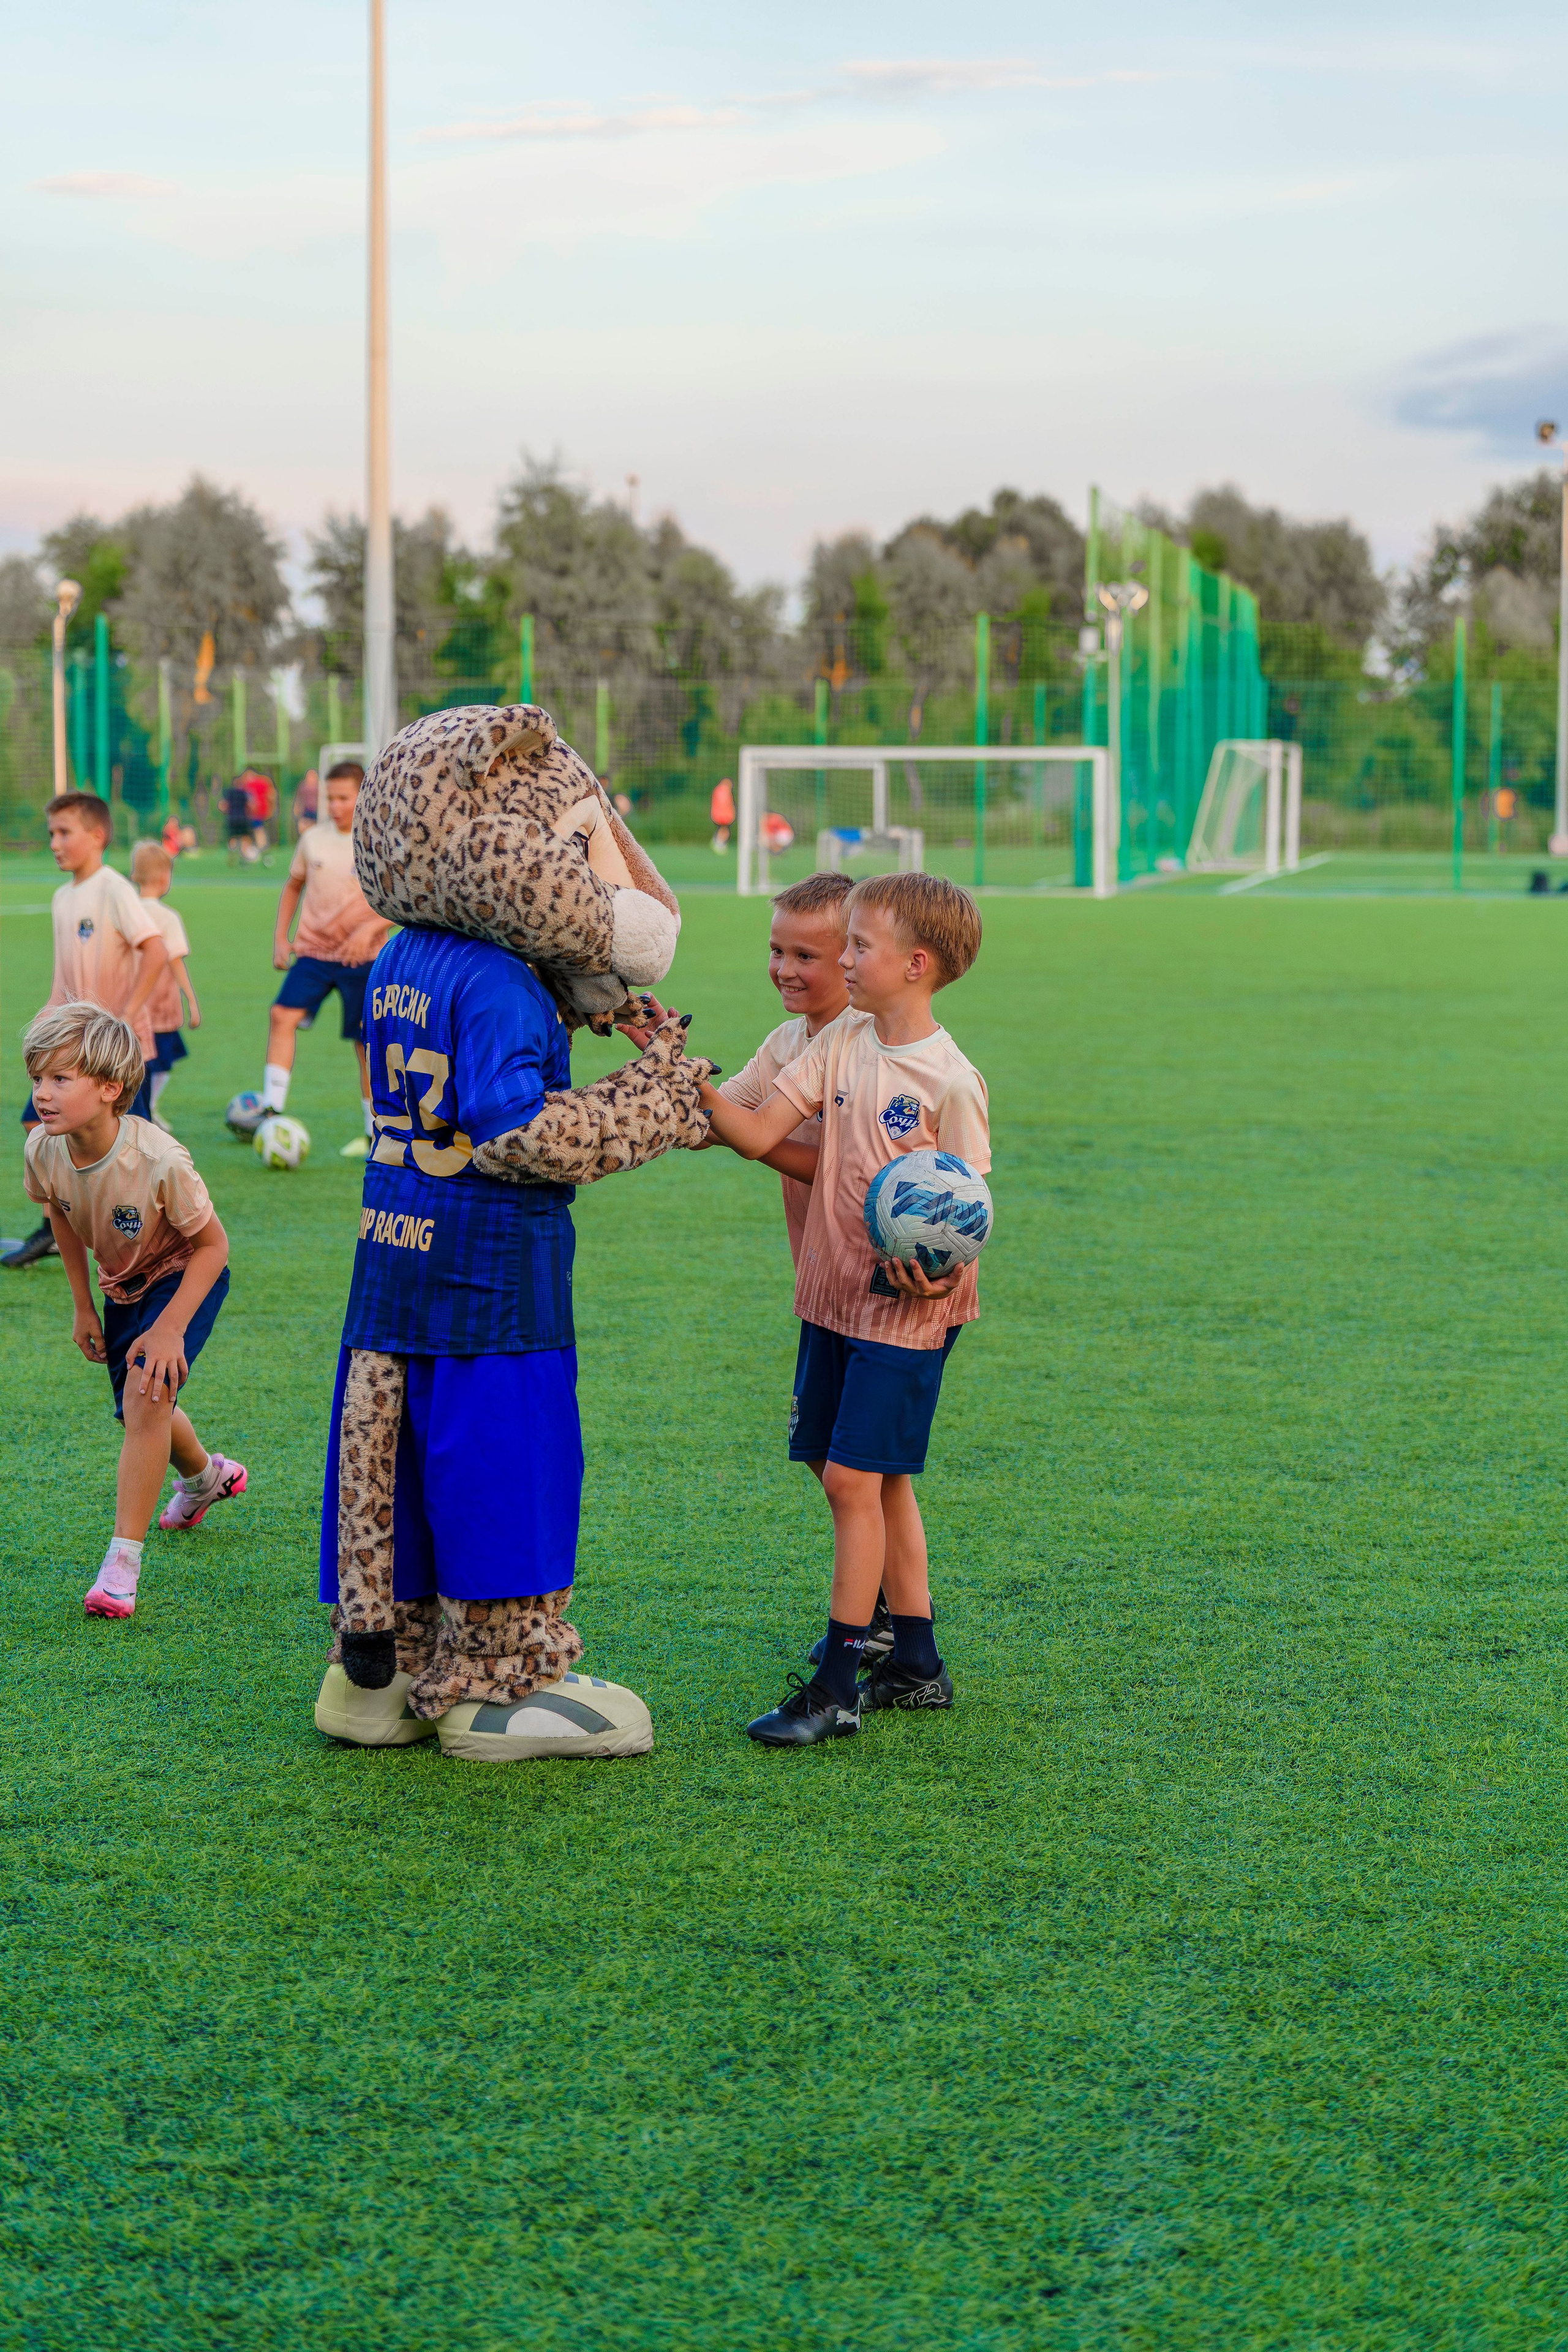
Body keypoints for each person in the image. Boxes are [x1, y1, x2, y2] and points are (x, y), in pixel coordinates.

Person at [701, 871, 988, 1747]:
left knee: (849, 1482)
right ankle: (917, 1664)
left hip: (907, 1311)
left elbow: (967, 1212)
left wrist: (940, 1278)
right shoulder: (839, 1041)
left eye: (859, 946)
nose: (846, 961)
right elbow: (754, 1132)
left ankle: (836, 1687)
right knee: (878, 1477)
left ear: (917, 964)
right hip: (830, 1297)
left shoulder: (952, 1081)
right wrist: (677, 1075)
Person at [21, 1001, 245, 1620]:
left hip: (184, 1273)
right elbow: (61, 1214)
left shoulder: (159, 1160)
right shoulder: (42, 1148)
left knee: (146, 1397)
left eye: (60, 1078)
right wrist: (83, 1305)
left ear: (110, 1088)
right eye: (37, 1078)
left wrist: (170, 1327)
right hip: (121, 1286)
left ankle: (121, 1569)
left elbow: (214, 1247)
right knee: (139, 1410)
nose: (42, 1093)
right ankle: (205, 1479)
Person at [2, 792, 168, 1270]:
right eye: (51, 833)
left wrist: (126, 1017)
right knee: (37, 1122)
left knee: (138, 1147)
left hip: (114, 1052)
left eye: (64, 833)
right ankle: (56, 1229)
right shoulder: (63, 897)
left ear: (97, 836)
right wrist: (47, 1021)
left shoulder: (114, 888)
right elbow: (64, 980)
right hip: (74, 1048)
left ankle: (160, 1234)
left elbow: (155, 949)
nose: (54, 843)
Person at [244, 760, 388, 1159]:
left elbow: (405, 902)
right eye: (330, 798)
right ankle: (272, 1110)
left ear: (363, 796)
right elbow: (293, 886)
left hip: (364, 958)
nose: (336, 806)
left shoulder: (380, 840)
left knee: (366, 1043)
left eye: (343, 798)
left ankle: (374, 1132)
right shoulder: (312, 840)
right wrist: (281, 938)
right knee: (281, 1016)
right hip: (314, 953)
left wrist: (370, 929)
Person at [130, 838, 200, 1131]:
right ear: (164, 877)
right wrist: (192, 1001)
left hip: (129, 1003)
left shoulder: (128, 911)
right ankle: (148, 1109)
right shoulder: (168, 917)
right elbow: (176, 961)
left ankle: (144, 1108)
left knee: (137, 1061)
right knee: (160, 1061)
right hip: (160, 1007)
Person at [710, 776, 735, 852]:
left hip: (721, 815)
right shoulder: (723, 791)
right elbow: (724, 803)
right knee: (724, 830)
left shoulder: (721, 790)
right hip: (723, 816)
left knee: (724, 829)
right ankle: (719, 843)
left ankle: (719, 843)